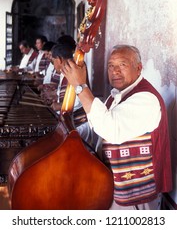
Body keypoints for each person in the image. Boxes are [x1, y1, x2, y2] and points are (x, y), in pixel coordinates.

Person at [61, 44, 172, 210]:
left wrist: (80, 86)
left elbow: (110, 129)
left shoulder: (146, 99)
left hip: (135, 195)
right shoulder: (117, 95)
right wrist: (71, 133)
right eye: (111, 66)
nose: (115, 71)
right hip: (111, 184)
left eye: (123, 65)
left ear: (139, 68)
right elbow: (97, 127)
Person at [51, 35, 94, 148]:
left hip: (80, 124)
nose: (52, 64)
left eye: (53, 60)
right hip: (71, 122)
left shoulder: (75, 69)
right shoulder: (66, 71)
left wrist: (59, 105)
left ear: (59, 59)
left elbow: (78, 102)